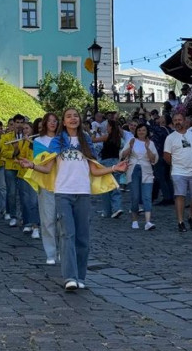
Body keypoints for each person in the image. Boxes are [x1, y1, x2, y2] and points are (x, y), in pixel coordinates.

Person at [26, 108, 126, 291]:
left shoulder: (85, 140)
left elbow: (94, 170)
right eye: (68, 116)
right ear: (63, 122)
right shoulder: (58, 141)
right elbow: (47, 168)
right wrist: (32, 165)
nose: (73, 119)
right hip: (63, 192)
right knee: (67, 234)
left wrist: (114, 169)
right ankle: (70, 277)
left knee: (83, 237)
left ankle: (81, 276)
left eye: (75, 116)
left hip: (83, 193)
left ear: (79, 120)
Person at [26, 112, 59, 263]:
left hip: (63, 182)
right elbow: (39, 162)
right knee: (48, 219)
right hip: (46, 182)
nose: (52, 123)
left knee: (63, 220)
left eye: (55, 121)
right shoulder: (38, 141)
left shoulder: (62, 140)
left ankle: (62, 250)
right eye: (50, 121)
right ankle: (51, 253)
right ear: (45, 123)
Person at [164, 111, 192, 232]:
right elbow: (166, 155)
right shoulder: (170, 138)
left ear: (185, 121)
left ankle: (191, 216)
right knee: (180, 196)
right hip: (178, 172)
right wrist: (177, 165)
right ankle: (180, 221)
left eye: (179, 120)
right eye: (175, 120)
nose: (177, 122)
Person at [120, 123, 158, 231]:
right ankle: (134, 219)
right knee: (135, 196)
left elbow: (154, 160)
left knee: (147, 196)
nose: (141, 132)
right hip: (133, 170)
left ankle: (148, 221)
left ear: (147, 132)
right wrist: (130, 147)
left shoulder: (151, 143)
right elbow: (123, 155)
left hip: (146, 171)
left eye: (144, 130)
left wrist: (147, 148)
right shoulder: (132, 141)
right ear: (136, 131)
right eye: (139, 130)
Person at [97, 119, 124, 218]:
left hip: (106, 163)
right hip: (116, 162)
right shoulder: (118, 137)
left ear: (111, 127)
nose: (106, 127)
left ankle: (107, 211)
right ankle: (117, 208)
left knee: (105, 187)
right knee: (115, 186)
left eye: (107, 126)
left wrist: (95, 132)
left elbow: (93, 140)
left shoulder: (107, 136)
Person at [149, 114, 174, 205]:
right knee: (167, 177)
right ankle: (171, 196)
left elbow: (149, 126)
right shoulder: (170, 130)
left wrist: (149, 117)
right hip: (167, 155)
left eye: (162, 117)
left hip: (159, 155)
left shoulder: (159, 129)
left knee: (161, 177)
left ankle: (167, 197)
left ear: (164, 121)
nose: (159, 117)